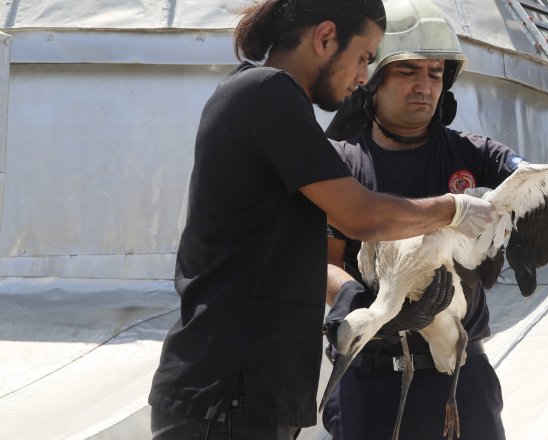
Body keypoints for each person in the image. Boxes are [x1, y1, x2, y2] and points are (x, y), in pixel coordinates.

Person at [147, 0, 495, 438]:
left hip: (252, 396)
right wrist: (456, 208)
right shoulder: (266, 94)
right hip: (226, 394)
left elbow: (284, 250)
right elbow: (361, 216)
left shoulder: (276, 103)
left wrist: (351, 294)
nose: (364, 76)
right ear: (325, 37)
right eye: (365, 58)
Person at [320, 1, 548, 439]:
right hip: (370, 381)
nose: (424, 86)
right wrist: (358, 298)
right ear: (371, 78)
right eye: (408, 71)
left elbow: (539, 183)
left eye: (435, 73)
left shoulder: (477, 156)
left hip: (461, 382)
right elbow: (320, 259)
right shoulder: (342, 164)